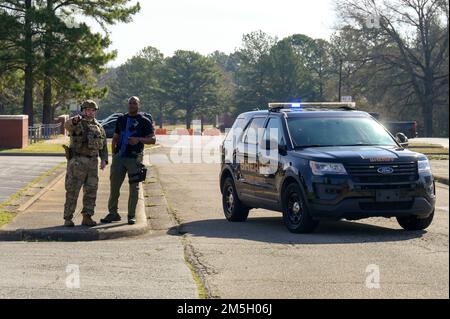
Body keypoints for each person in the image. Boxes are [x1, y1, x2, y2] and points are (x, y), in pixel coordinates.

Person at [101, 96, 156, 225]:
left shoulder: (144, 121)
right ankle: (113, 213)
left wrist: (139, 140)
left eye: (134, 103)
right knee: (114, 186)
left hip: (134, 158)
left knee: (134, 188)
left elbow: (153, 140)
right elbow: (115, 137)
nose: (132, 105)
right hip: (119, 157)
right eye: (130, 103)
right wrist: (114, 152)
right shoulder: (121, 119)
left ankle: (131, 215)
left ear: (138, 105)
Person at [63, 100, 108, 227]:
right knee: (73, 191)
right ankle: (68, 218)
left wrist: (104, 159)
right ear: (83, 110)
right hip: (78, 162)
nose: (90, 112)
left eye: (93, 110)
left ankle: (87, 217)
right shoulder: (77, 122)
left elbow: (103, 145)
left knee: (91, 191)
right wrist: (74, 120)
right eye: (88, 110)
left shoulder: (99, 126)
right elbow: (67, 126)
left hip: (93, 163)